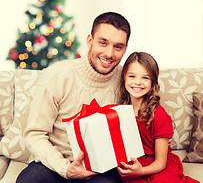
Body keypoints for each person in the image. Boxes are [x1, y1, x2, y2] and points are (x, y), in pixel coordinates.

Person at [16, 12, 131, 183]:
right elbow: (35, 134)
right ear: (89, 41)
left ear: (125, 49)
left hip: (100, 170)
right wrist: (65, 169)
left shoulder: (128, 80)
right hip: (55, 165)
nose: (109, 53)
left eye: (118, 47)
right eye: (103, 43)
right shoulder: (56, 75)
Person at [117, 52, 200, 183]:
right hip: (136, 164)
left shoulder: (159, 116)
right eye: (132, 76)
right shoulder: (120, 112)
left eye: (145, 78)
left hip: (158, 166)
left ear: (153, 81)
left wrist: (142, 171)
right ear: (124, 78)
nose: (137, 82)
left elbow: (160, 162)